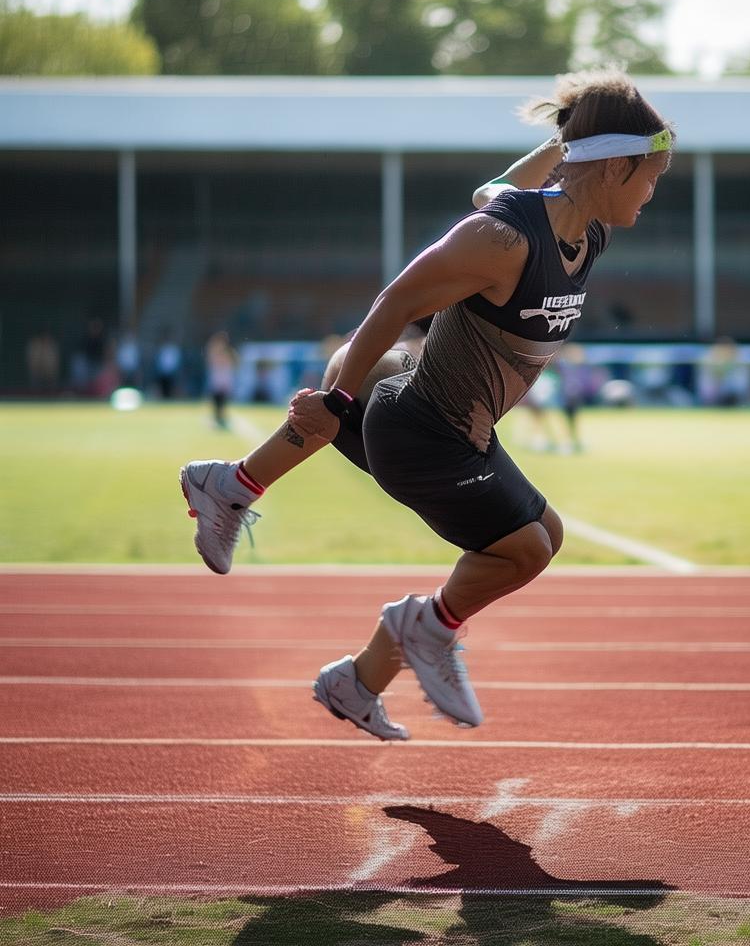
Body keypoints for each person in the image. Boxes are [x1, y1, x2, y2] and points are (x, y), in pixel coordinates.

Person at [179, 68, 674, 741]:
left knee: (545, 533)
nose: (653, 194)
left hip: (454, 421)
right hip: (422, 434)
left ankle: (241, 497)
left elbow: (489, 188)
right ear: (615, 168)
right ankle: (426, 627)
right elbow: (396, 302)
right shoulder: (501, 239)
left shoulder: (587, 230)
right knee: (528, 549)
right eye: (651, 176)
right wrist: (334, 400)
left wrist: (571, 145)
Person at [204, 331, 239, 429]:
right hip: (218, 377)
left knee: (223, 398)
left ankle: (221, 415)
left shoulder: (230, 351)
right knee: (216, 398)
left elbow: (235, 362)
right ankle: (217, 415)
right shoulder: (215, 350)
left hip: (225, 377)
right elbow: (211, 360)